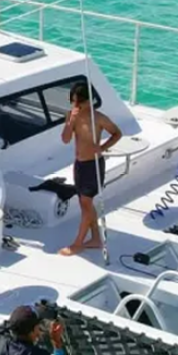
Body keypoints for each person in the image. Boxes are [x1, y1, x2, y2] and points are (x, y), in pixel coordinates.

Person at [58, 82, 122, 256]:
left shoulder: (98, 118)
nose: (75, 106)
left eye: (79, 102)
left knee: (86, 204)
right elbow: (65, 139)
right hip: (79, 165)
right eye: (73, 102)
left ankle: (78, 243)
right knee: (84, 203)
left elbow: (117, 133)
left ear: (89, 101)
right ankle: (95, 238)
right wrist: (70, 122)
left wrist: (102, 147)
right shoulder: (72, 116)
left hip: (93, 165)